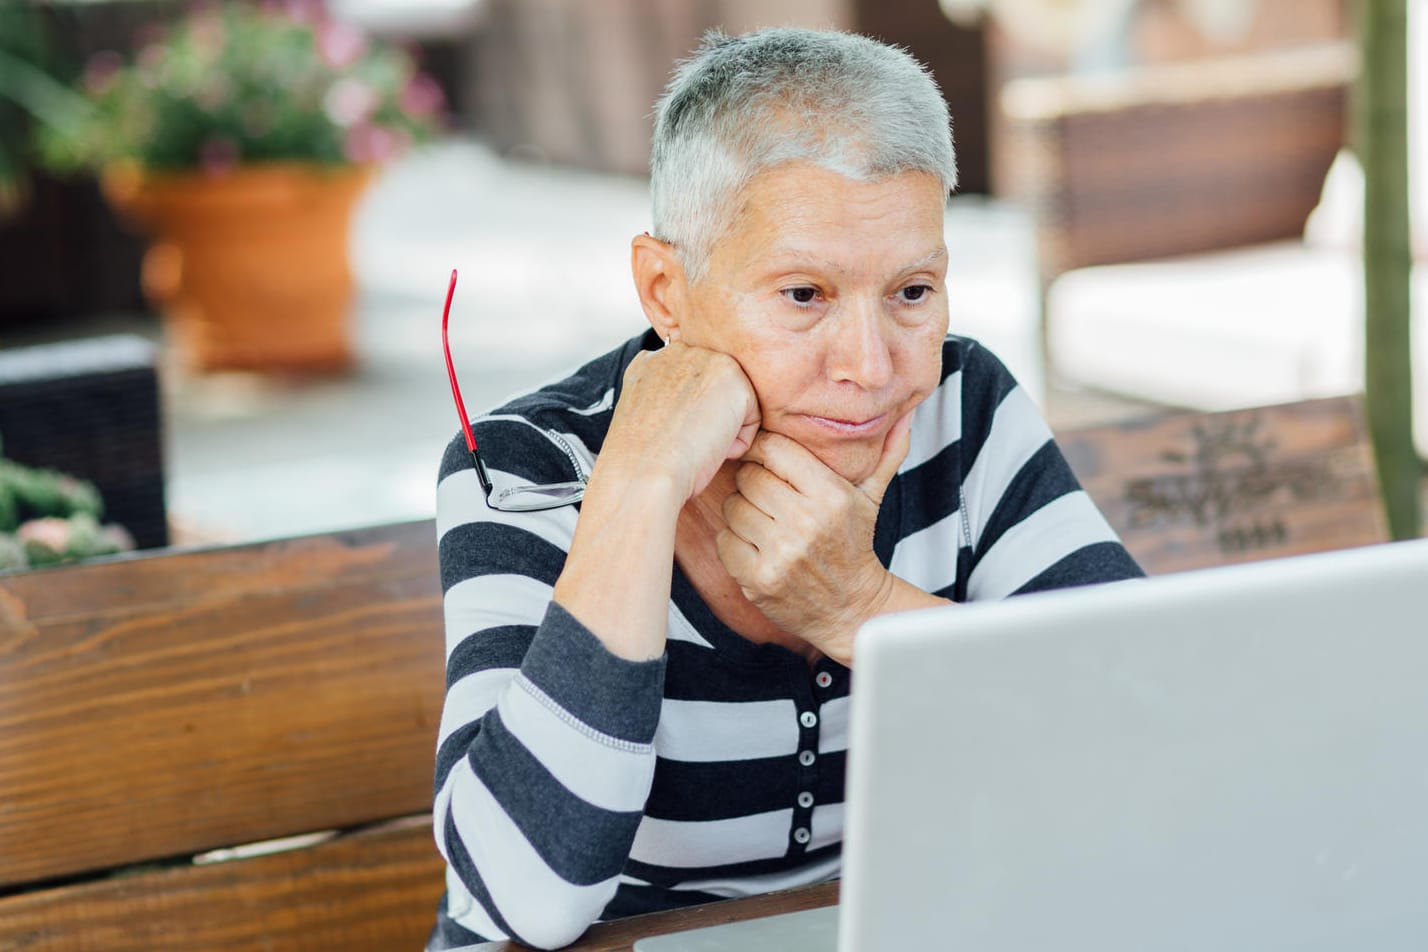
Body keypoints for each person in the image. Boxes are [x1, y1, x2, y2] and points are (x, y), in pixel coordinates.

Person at [429, 27, 1143, 950]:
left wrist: (859, 605)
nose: (871, 366)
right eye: (803, 294)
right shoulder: (528, 467)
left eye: (912, 291)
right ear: (665, 291)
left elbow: (1138, 736)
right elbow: (529, 895)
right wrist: (638, 488)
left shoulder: (961, 410)